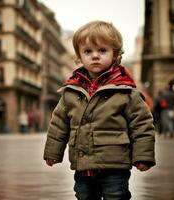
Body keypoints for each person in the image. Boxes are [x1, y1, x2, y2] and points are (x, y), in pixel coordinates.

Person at [43, 21, 156, 200]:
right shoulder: (71, 91)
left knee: (115, 196)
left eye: (102, 51)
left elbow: (142, 125)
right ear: (79, 56)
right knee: (84, 196)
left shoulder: (126, 91)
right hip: (82, 166)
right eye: (88, 51)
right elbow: (58, 124)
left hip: (115, 165)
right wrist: (52, 152)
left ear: (115, 54)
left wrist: (143, 155)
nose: (95, 56)